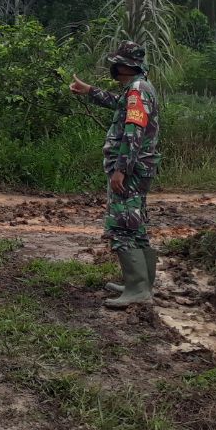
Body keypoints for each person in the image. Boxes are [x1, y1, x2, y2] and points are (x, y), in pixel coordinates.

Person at [69, 41, 161, 309]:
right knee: (136, 226)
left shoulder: (136, 92)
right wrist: (90, 91)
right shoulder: (138, 89)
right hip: (138, 168)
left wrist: (121, 170)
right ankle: (141, 283)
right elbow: (119, 105)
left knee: (122, 227)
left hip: (131, 170)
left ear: (125, 65)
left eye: (117, 63)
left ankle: (138, 289)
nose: (114, 67)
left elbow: (133, 132)